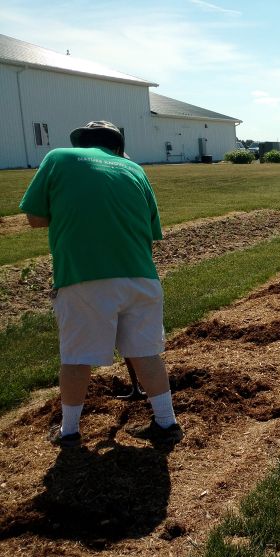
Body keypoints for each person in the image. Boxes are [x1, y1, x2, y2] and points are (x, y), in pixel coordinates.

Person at [19, 120, 183, 448]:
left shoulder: (59, 157)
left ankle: (69, 432)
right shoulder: (135, 170)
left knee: (77, 356)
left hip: (83, 276)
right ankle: (167, 424)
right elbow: (153, 231)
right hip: (141, 276)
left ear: (82, 144)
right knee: (146, 353)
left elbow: (35, 218)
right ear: (119, 148)